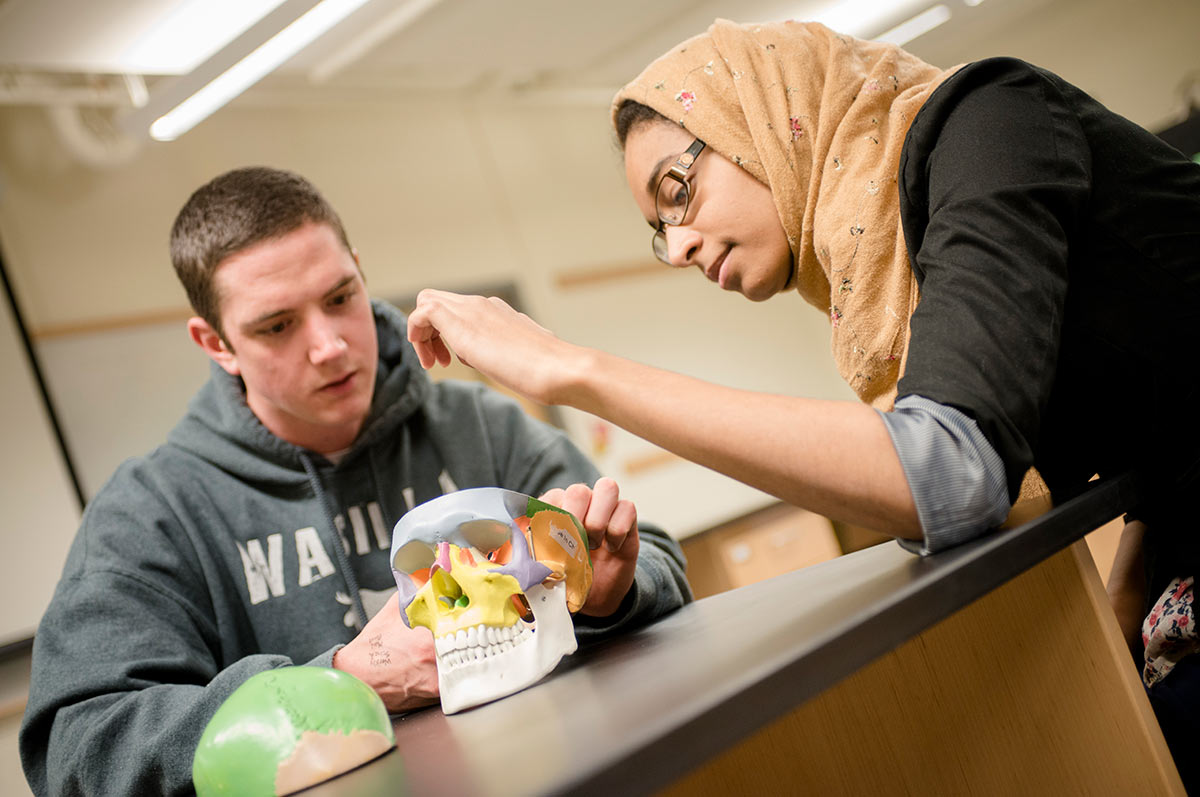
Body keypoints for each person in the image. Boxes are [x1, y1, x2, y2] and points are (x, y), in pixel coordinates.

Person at [405, 19, 1200, 791]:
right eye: (658, 229)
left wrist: (573, 369)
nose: (677, 246)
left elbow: (953, 473)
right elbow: (1149, 407)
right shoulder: (896, 256)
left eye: (676, 190)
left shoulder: (990, 121)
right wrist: (1128, 592)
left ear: (765, 115)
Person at [18, 166, 692, 796]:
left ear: (362, 273)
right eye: (277, 325)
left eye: (341, 297)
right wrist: (340, 681)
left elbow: (659, 564)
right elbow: (76, 747)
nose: (331, 344)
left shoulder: (479, 426)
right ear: (215, 343)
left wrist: (613, 594)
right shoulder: (151, 513)